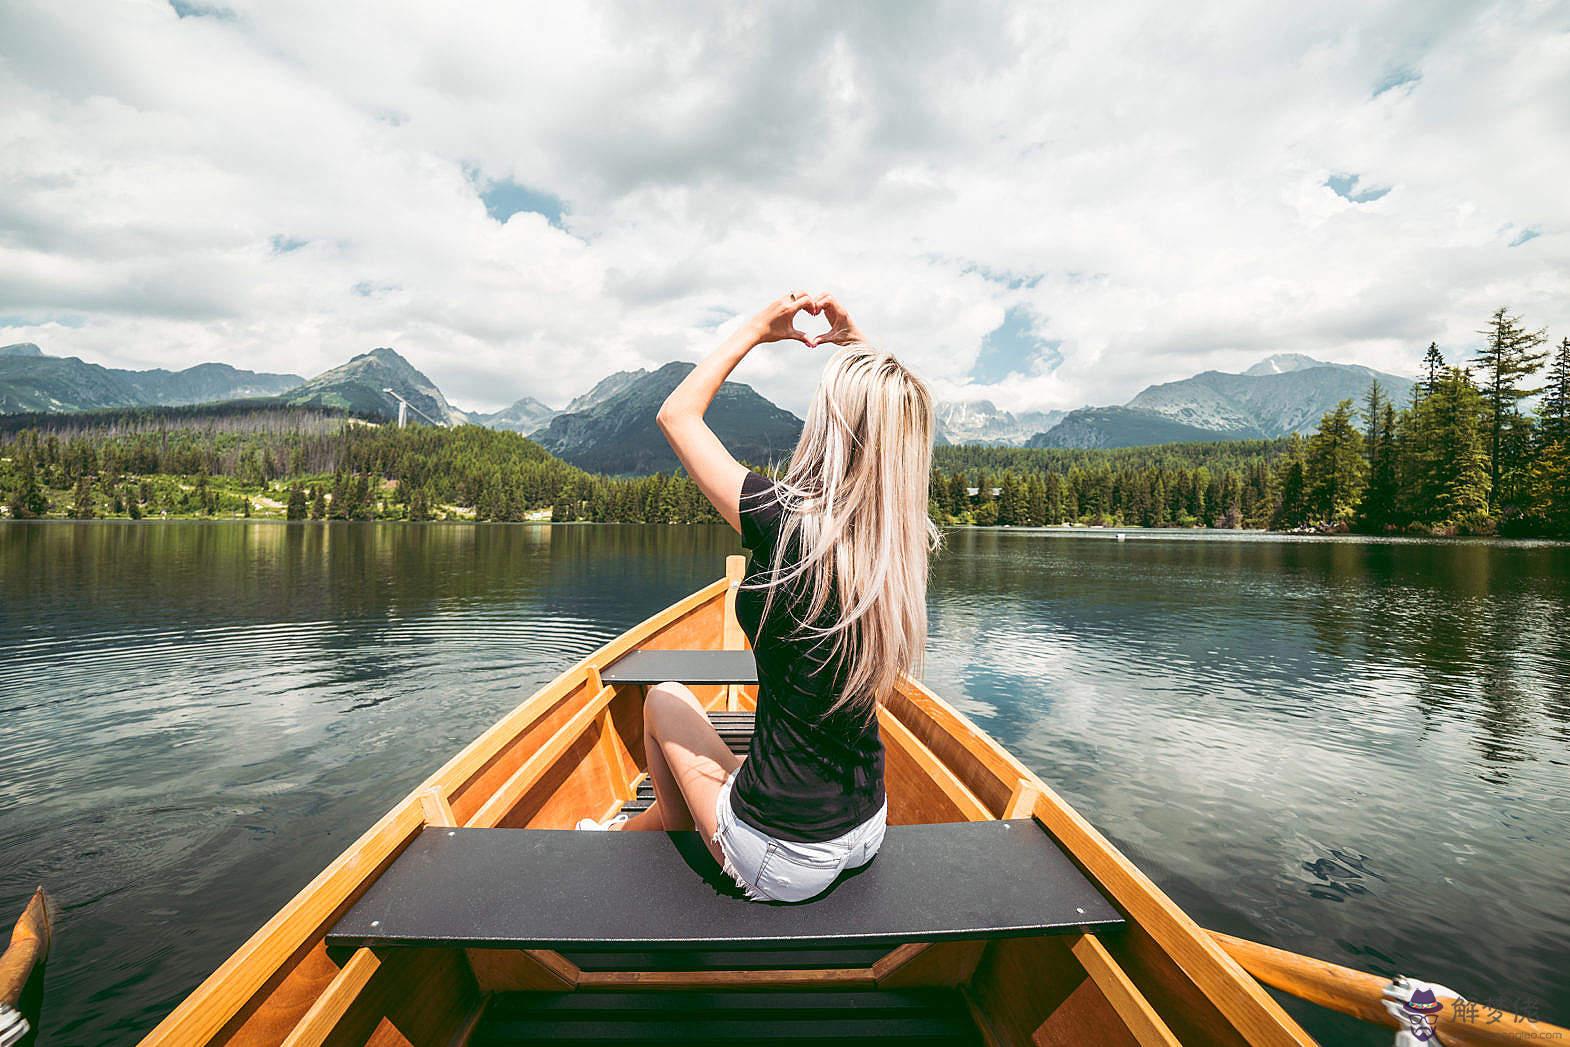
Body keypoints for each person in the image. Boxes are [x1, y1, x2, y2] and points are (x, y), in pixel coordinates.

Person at [577, 291, 940, 904]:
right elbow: (889, 418)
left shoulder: (785, 520)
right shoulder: (898, 546)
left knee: (664, 700)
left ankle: (652, 833)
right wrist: (860, 348)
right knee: (744, 757)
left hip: (782, 858)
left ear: (831, 428)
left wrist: (758, 329)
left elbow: (678, 416)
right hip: (867, 827)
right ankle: (629, 831)